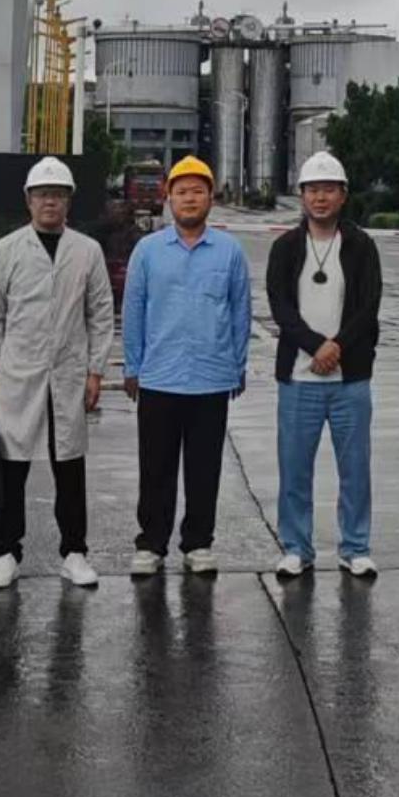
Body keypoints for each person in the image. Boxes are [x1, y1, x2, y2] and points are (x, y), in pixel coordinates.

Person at [0, 156, 115, 591]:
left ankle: (74, 553)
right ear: (28, 200)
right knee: (11, 467)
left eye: (57, 195)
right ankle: (6, 553)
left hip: (69, 375)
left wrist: (95, 371)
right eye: (42, 195)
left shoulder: (87, 251)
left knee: (69, 466)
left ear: (68, 201)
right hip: (18, 374)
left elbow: (101, 313)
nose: (49, 201)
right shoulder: (7, 250)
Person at [119, 153, 251, 575]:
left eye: (197, 191)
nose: (190, 199)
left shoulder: (229, 252)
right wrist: (132, 366)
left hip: (211, 378)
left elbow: (241, 312)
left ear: (211, 198)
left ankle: (198, 543)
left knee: (204, 467)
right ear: (168, 198)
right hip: (159, 376)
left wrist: (237, 365)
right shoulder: (148, 251)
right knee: (155, 467)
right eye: (182, 192)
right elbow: (133, 310)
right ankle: (151, 544)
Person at [264, 150, 382, 579]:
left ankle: (355, 548)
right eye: (313, 190)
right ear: (302, 195)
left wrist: (337, 348)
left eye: (328, 189)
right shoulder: (285, 248)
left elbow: (368, 306)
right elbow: (280, 307)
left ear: (343, 195)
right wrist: (316, 346)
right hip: (299, 380)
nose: (320, 198)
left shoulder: (361, 246)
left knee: (355, 470)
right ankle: (297, 547)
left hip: (350, 380)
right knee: (295, 469)